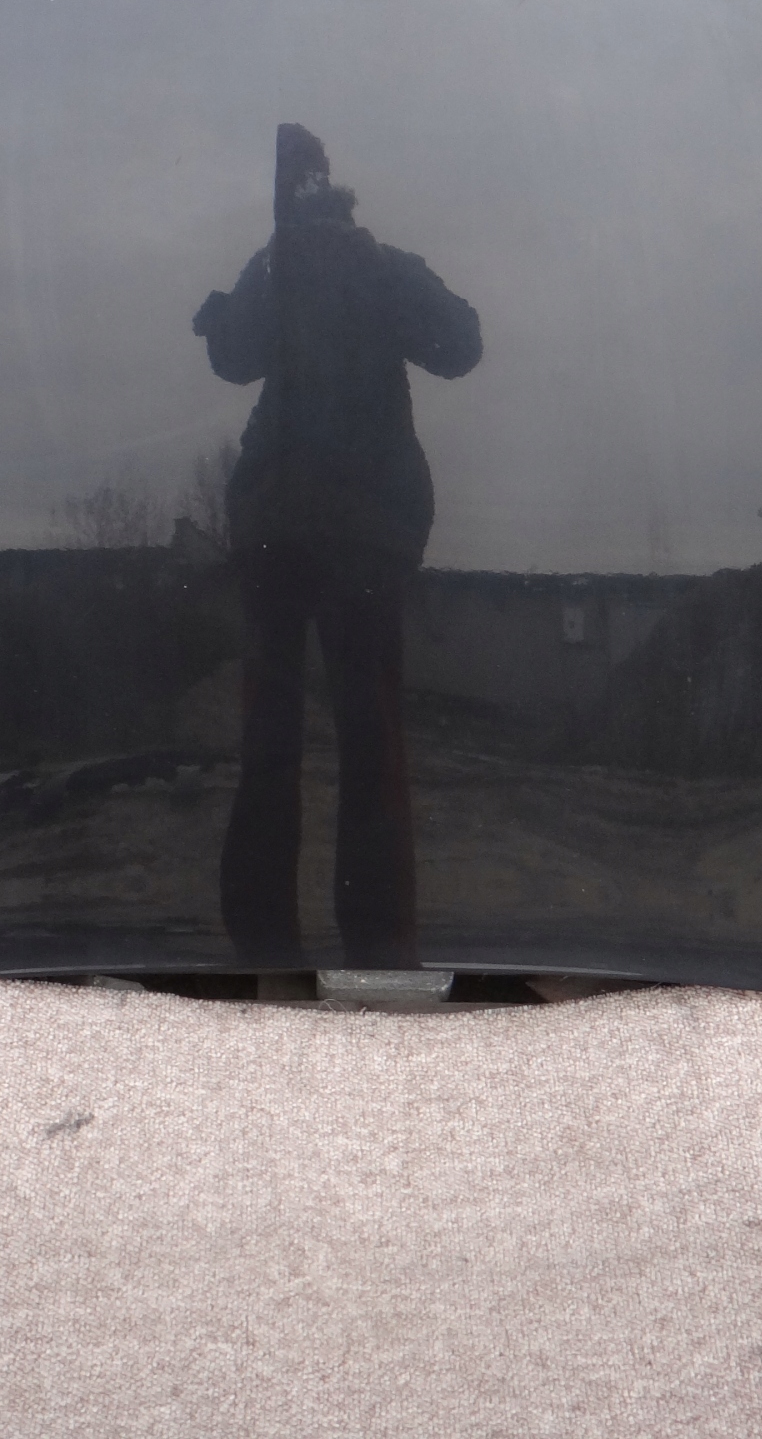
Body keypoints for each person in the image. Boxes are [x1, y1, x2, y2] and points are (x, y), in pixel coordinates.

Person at [191, 124, 482, 966]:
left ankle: (262, 944)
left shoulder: (274, 265)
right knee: (369, 735)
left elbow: (231, 358)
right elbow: (461, 344)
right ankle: (379, 942)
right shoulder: (378, 263)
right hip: (365, 533)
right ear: (338, 196)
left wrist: (222, 311)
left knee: (270, 739)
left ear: (283, 199)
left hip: (278, 532)